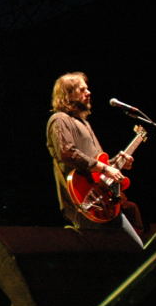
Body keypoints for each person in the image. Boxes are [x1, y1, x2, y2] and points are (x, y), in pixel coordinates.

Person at [46, 72, 144, 247]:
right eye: (82, 89)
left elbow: (96, 164)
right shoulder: (59, 119)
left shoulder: (85, 123)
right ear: (68, 95)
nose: (89, 92)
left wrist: (116, 163)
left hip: (104, 200)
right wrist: (106, 168)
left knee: (134, 247)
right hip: (84, 201)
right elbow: (67, 153)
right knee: (111, 252)